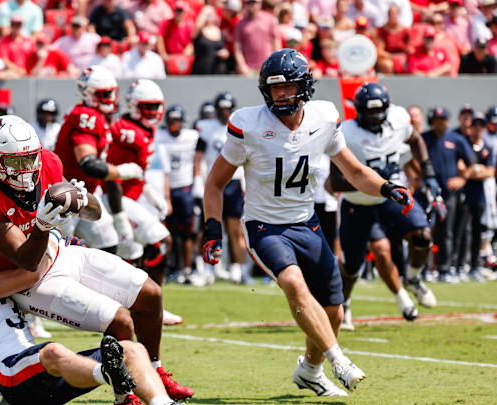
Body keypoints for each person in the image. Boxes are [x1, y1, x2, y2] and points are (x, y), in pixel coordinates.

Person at [202, 49, 414, 397]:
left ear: (305, 86)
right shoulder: (250, 124)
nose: (281, 95)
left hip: (306, 223)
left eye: (288, 87)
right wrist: (213, 228)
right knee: (293, 283)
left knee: (333, 307)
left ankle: (310, 370)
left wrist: (388, 188)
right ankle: (338, 360)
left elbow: (355, 171)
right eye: (274, 89)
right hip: (265, 226)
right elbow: (214, 182)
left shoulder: (325, 117)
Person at [0, 115, 194, 401]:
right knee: (120, 320)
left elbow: (94, 213)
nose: (25, 169)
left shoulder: (47, 162)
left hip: (60, 251)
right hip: (28, 281)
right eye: (15, 162)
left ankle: (155, 372)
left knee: (150, 294)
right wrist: (43, 226)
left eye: (29, 158)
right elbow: (27, 260)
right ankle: (126, 395)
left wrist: (81, 199)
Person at [0, 235, 179, 405]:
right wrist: (49, 238)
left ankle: (162, 402)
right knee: (53, 351)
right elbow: (30, 276)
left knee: (132, 350)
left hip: (45, 375)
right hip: (10, 374)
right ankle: (108, 371)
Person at [329, 83, 438, 330]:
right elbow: (335, 182)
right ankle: (344, 303)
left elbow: (416, 139)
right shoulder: (346, 133)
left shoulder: (399, 118)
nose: (375, 118)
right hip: (358, 203)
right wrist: (375, 181)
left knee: (422, 235)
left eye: (379, 112)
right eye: (369, 112)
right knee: (352, 265)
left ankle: (412, 277)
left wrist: (429, 173)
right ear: (358, 111)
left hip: (392, 199)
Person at [105, 79, 177, 320]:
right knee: (162, 241)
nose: (153, 113)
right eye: (147, 107)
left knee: (132, 258)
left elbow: (135, 172)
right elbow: (111, 172)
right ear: (134, 106)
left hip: (129, 197)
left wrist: (151, 194)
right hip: (114, 198)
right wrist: (118, 215)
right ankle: (152, 306)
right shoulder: (125, 132)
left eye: (156, 107)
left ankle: (141, 306)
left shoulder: (147, 130)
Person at [54, 66, 143, 252]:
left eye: (112, 93)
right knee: (56, 252)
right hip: (66, 193)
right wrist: (123, 171)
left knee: (108, 243)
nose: (110, 98)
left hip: (84, 192)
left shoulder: (95, 116)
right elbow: (89, 164)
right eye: (105, 94)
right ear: (89, 94)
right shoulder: (87, 116)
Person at [195, 92, 249, 285]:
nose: (225, 113)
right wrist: (197, 181)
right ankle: (206, 269)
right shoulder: (206, 128)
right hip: (214, 183)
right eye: (222, 109)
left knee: (235, 231)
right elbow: (199, 157)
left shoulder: (238, 126)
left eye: (228, 109)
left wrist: (244, 183)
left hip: (233, 182)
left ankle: (240, 270)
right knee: (210, 228)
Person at [422, 106, 477, 283]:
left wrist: (462, 179)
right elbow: (413, 161)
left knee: (447, 232)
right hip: (428, 193)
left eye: (443, 119)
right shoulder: (425, 138)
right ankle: (424, 269)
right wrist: (418, 179)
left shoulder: (456, 139)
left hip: (448, 194)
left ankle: (445, 269)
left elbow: (472, 164)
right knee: (425, 230)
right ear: (432, 121)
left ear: (447, 121)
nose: (440, 123)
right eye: (437, 120)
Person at [155, 104, 199, 304]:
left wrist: (198, 183)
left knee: (187, 233)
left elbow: (202, 156)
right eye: (172, 121)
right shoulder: (159, 137)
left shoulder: (193, 137)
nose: (175, 125)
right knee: (168, 232)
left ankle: (187, 270)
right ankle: (171, 268)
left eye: (177, 121)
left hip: (185, 187)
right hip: (165, 189)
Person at [453, 112, 495, 282]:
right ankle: (457, 266)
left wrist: (472, 171)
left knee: (478, 231)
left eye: (481, 125)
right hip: (463, 193)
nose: (478, 128)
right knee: (460, 230)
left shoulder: (488, 147)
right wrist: (476, 169)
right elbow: (461, 168)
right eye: (475, 125)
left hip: (479, 194)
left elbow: (490, 172)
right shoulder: (464, 144)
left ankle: (475, 267)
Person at [233, 0, 280, 76]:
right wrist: (241, 65)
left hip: (267, 66)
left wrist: (276, 61)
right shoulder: (240, 24)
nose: (252, 5)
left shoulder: (270, 19)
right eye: (249, 2)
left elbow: (276, 41)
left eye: (254, 2)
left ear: (260, 3)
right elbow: (237, 47)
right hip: (248, 69)